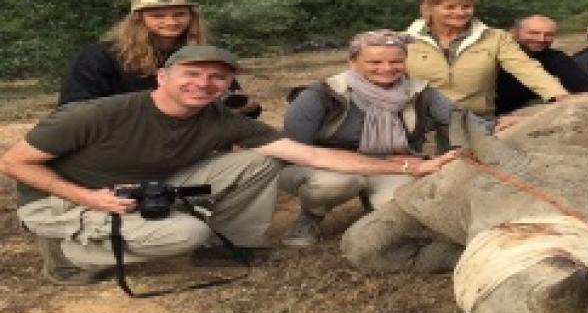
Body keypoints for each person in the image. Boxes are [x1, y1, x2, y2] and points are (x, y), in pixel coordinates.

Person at [0, 45, 456, 286]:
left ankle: (235, 245)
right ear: (163, 77)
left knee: (260, 163)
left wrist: (410, 167)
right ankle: (70, 253)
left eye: (217, 77)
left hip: (146, 186)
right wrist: (84, 197)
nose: (204, 83)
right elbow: (14, 162)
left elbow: (311, 156)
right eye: (192, 74)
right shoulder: (98, 113)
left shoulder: (221, 118)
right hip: (62, 200)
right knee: (186, 234)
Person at [279, 30, 487, 246]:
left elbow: (463, 121)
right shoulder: (321, 94)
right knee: (335, 184)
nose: (387, 69)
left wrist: (506, 125)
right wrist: (389, 162)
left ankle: (373, 204)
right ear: (352, 62)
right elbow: (294, 151)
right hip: (330, 166)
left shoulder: (421, 91)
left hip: (394, 167)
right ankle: (310, 217)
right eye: (375, 62)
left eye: (396, 61)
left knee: (397, 209)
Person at [58, 0, 262, 117]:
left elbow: (230, 99)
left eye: (180, 14)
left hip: (192, 135)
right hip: (122, 138)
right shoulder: (100, 56)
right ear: (139, 19)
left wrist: (247, 107)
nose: (171, 22)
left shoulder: (203, 53)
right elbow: (73, 109)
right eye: (158, 15)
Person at [402, 0, 567, 117]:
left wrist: (558, 95)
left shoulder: (496, 37)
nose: (460, 13)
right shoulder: (403, 40)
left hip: (476, 119)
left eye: (466, 6)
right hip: (421, 122)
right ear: (428, 9)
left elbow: (525, 67)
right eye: (450, 7)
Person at [494, 14, 588, 115]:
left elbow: (583, 84)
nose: (541, 39)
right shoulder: (492, 54)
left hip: (520, 113)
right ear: (515, 32)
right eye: (533, 33)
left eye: (548, 35)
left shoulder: (555, 58)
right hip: (486, 111)